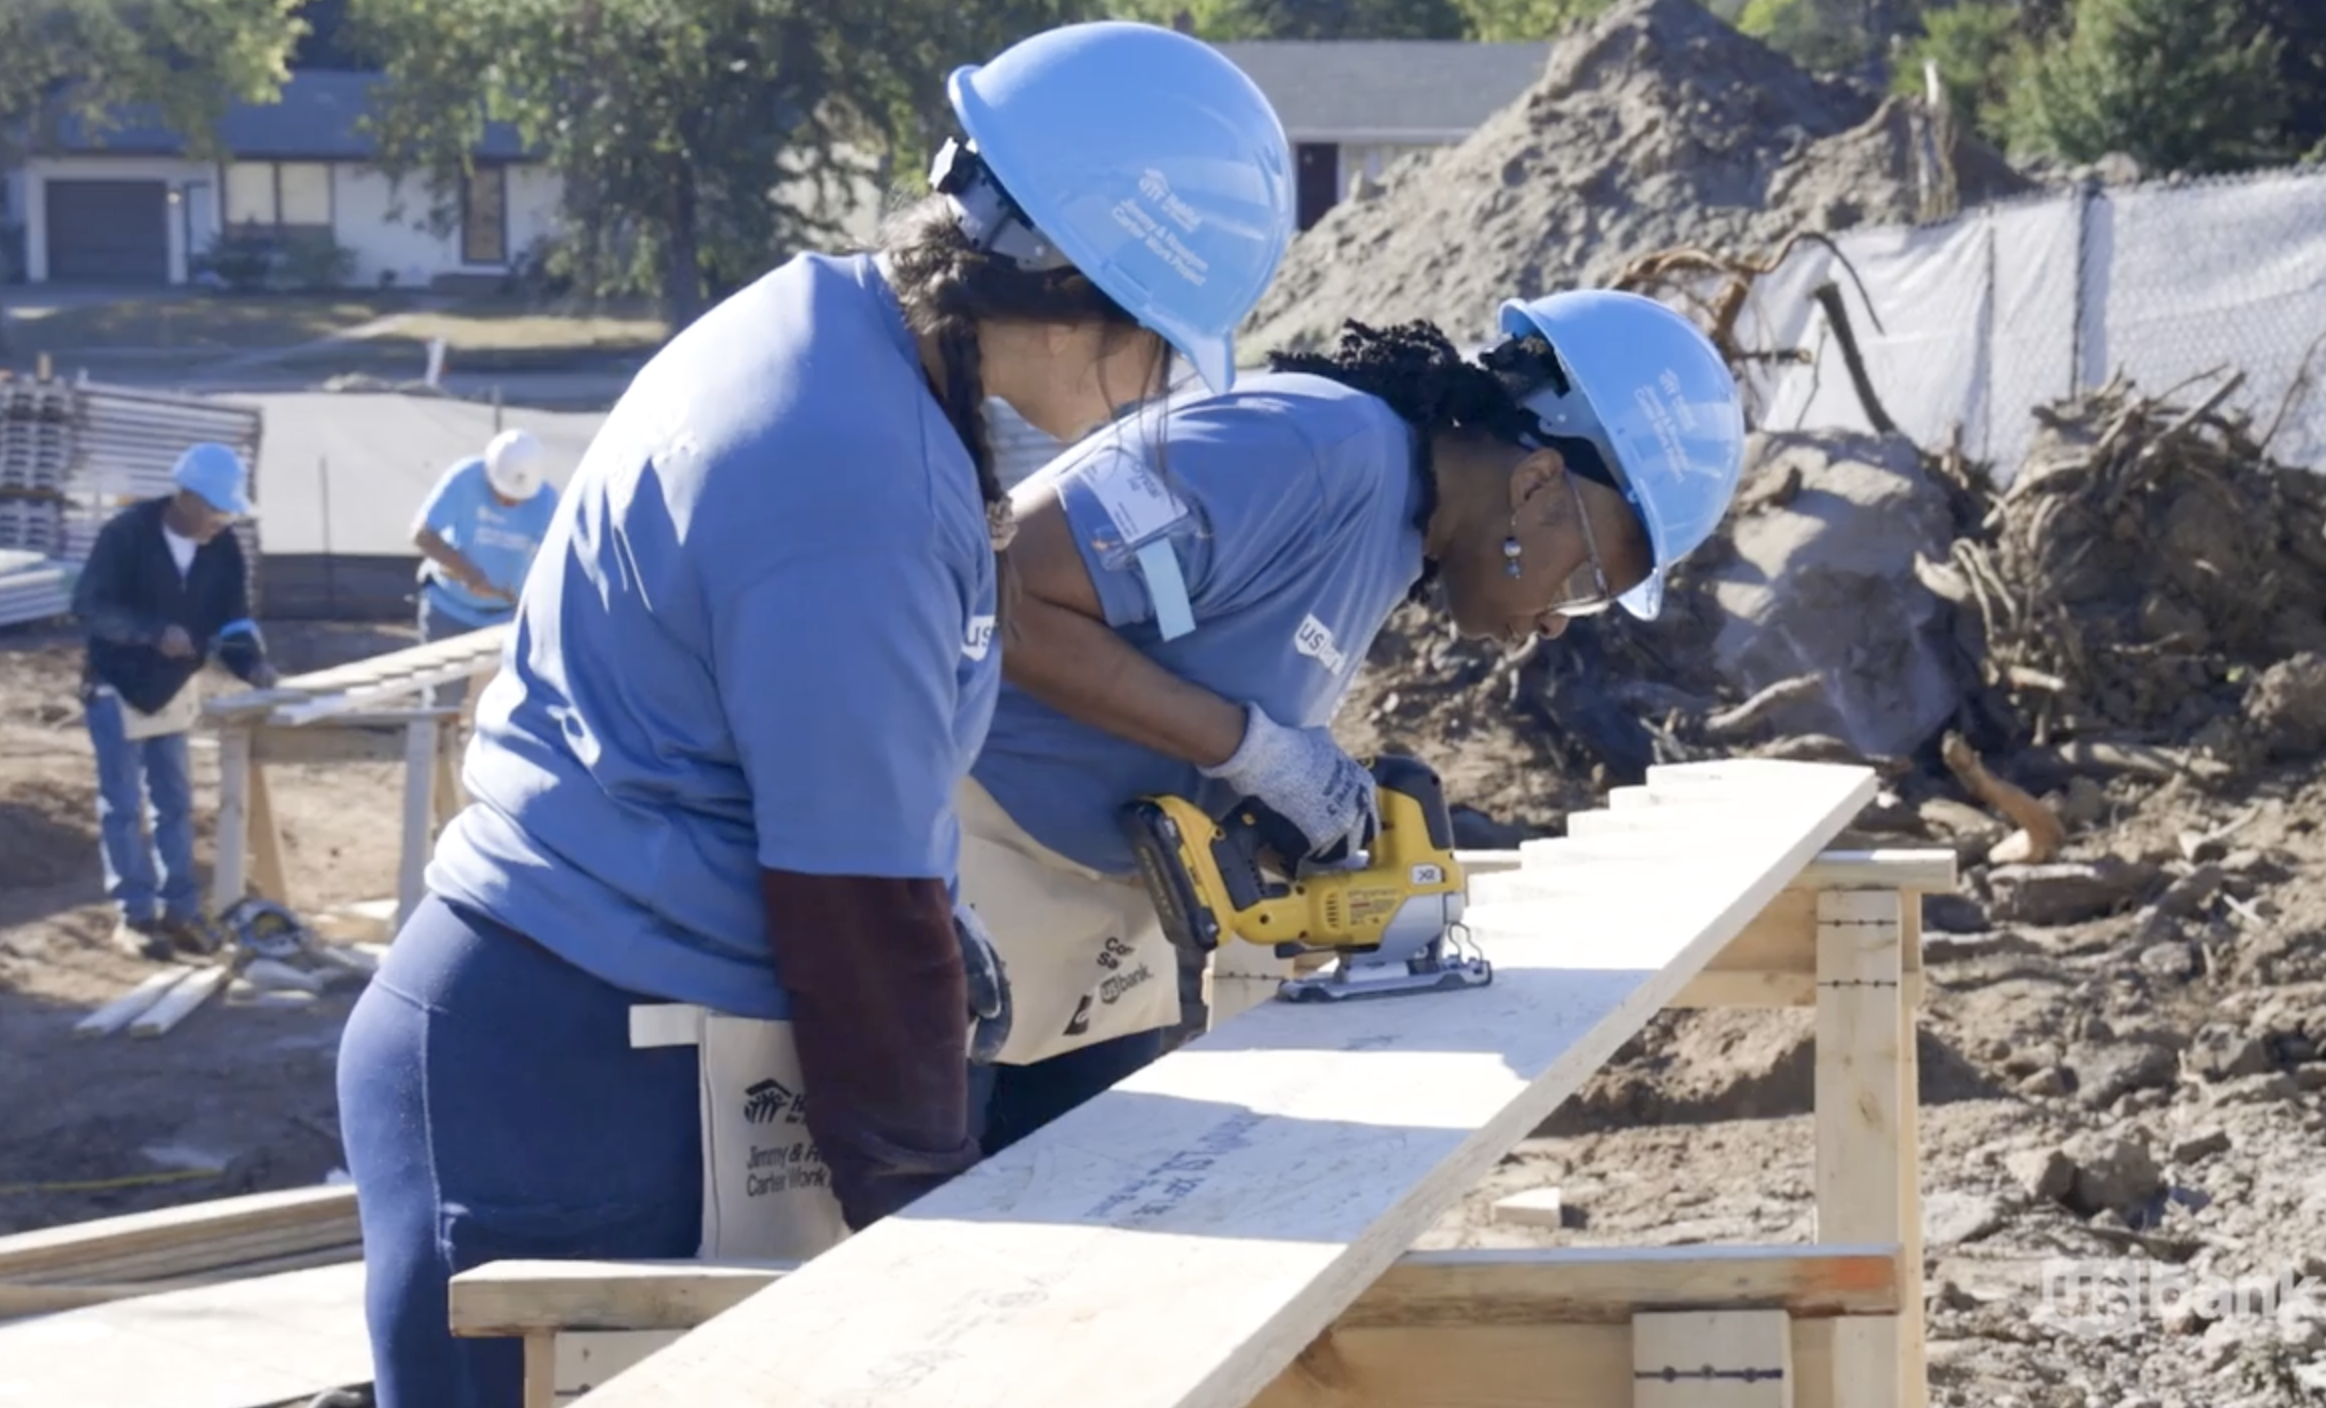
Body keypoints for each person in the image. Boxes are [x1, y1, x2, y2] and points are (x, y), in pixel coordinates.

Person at [333, 21, 1296, 1407]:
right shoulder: (858, 482)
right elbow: (853, 899)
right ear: (1087, 299)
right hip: (563, 1079)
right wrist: (929, 1239)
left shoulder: (831, 330)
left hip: (590, 1030)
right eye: (1159, 358)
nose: (1148, 402)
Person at [958, 292, 1747, 1152]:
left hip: (1087, 920)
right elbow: (1003, 594)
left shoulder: (1398, 531)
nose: (1559, 619)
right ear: (1538, 484)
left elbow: (1174, 669)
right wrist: (1249, 748)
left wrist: (1277, 817)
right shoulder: (1309, 450)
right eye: (1587, 581)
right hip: (962, 863)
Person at [70, 442, 279, 960]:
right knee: (121, 805)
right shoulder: (127, 534)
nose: (221, 520)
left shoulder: (223, 548)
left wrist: (252, 665)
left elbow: (233, 620)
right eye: (215, 508)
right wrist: (149, 633)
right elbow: (91, 605)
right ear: (184, 497)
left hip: (173, 689)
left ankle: (181, 910)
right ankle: (136, 917)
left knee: (175, 804)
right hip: (117, 683)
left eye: (228, 510)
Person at [408, 427, 559, 705]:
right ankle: (435, 747)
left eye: (517, 498)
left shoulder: (548, 502)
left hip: (501, 620)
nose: (508, 502)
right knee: (442, 702)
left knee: (494, 706)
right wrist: (467, 572)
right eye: (501, 492)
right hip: (447, 609)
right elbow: (422, 533)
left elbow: (554, 563)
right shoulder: (465, 478)